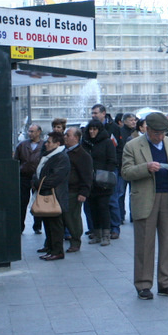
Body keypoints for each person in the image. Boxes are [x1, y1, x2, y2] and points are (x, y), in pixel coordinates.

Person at [121, 112, 168, 300]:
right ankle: (143, 284)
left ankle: (166, 283)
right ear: (146, 129)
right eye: (156, 133)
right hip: (145, 198)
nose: (160, 137)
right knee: (144, 243)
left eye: (163, 133)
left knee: (166, 243)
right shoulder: (132, 145)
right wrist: (145, 168)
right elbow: (125, 172)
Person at [32, 131, 70, 261]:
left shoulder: (61, 157)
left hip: (55, 197)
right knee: (48, 224)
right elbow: (38, 173)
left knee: (55, 225)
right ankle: (50, 248)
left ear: (57, 144)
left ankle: (57, 251)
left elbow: (54, 178)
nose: (46, 144)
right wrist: (36, 182)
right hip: (45, 195)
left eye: (49, 142)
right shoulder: (48, 156)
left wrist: (38, 184)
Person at [91, 104, 124, 240]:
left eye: (96, 113)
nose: (93, 115)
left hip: (109, 168)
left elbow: (118, 148)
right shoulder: (89, 127)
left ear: (104, 113)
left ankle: (114, 227)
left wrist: (114, 165)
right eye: (92, 113)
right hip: (94, 169)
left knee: (111, 199)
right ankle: (95, 229)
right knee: (93, 202)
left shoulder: (113, 128)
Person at [82, 120, 116, 246]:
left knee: (103, 207)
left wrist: (105, 174)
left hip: (103, 182)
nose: (92, 132)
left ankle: (106, 234)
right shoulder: (85, 142)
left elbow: (112, 160)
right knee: (93, 208)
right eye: (90, 129)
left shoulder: (107, 142)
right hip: (89, 181)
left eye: (95, 129)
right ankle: (96, 233)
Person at [63, 127, 93, 253]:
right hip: (63, 190)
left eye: (67, 135)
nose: (64, 137)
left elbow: (87, 175)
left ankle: (75, 241)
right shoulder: (64, 151)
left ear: (75, 138)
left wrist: (83, 192)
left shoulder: (82, 155)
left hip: (74, 191)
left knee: (73, 217)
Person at [14, 123, 45, 234]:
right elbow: (16, 160)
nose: (30, 133)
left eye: (32, 131)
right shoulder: (22, 145)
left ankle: (37, 226)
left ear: (39, 132)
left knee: (37, 202)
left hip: (38, 177)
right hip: (24, 177)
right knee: (22, 202)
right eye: (29, 131)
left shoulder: (44, 145)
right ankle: (20, 226)